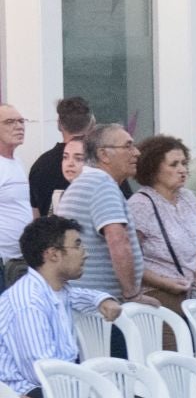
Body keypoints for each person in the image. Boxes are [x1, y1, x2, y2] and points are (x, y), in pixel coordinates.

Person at [0, 216, 124, 398]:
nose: (86, 252)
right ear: (53, 255)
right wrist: (89, 381)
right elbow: (41, 370)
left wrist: (102, 298)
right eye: (78, 245)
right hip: (28, 387)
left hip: (57, 383)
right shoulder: (28, 302)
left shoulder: (57, 289)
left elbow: (80, 296)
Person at [56, 125, 143, 302]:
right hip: (103, 307)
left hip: (89, 302)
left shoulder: (87, 181)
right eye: (128, 146)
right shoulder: (102, 184)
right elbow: (118, 240)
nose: (136, 153)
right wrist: (132, 294)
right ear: (104, 155)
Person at [129, 136, 196, 314]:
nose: (182, 170)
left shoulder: (188, 197)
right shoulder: (140, 204)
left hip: (193, 294)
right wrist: (164, 282)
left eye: (184, 163)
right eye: (174, 164)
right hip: (159, 297)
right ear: (153, 169)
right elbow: (129, 259)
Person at [27, 96, 92, 218]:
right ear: (90, 123)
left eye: (78, 158)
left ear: (59, 124)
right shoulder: (99, 160)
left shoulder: (41, 165)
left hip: (50, 235)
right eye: (66, 157)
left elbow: (35, 215)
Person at [0, 105, 30, 267]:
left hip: (20, 260)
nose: (19, 126)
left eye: (21, 121)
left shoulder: (18, 161)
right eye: (9, 122)